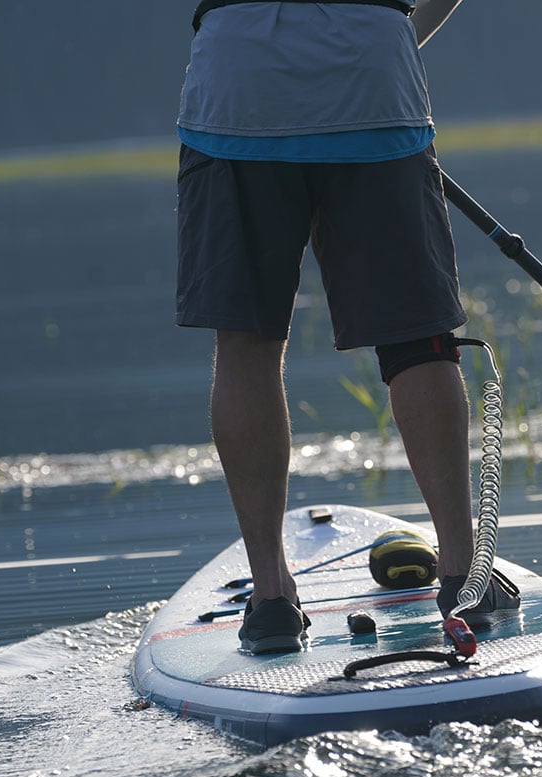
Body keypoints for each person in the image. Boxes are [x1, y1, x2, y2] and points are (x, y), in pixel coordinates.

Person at [176, 0, 518, 654]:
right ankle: (461, 575)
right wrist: (390, 39)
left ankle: (272, 597)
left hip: (238, 85)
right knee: (420, 337)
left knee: (246, 343)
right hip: (372, 75)